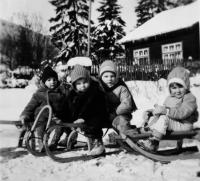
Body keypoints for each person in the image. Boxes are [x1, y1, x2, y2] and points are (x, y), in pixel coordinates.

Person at [139, 66, 198, 152]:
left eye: (180, 87)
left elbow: (183, 112)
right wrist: (152, 112)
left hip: (184, 124)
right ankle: (145, 132)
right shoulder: (169, 98)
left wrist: (166, 111)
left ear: (186, 86)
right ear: (169, 88)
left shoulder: (189, 98)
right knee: (154, 118)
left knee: (164, 118)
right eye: (174, 88)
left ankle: (153, 143)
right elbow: (163, 110)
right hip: (175, 122)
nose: (177, 91)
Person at [19, 66, 70, 151]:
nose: (52, 82)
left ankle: (54, 142)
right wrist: (25, 115)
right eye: (49, 80)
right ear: (44, 81)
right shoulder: (39, 94)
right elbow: (30, 106)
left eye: (54, 79)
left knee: (60, 126)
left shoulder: (61, 93)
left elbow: (67, 104)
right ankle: (41, 141)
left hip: (56, 117)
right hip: (42, 117)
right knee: (40, 126)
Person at [67, 64, 108, 156]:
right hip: (83, 118)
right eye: (78, 83)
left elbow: (95, 107)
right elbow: (69, 107)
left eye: (85, 82)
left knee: (93, 122)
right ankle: (72, 139)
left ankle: (98, 144)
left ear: (89, 80)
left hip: (98, 114)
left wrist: (83, 118)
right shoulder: (73, 95)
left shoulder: (95, 91)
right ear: (74, 85)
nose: (83, 86)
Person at [98, 60, 137, 135]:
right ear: (101, 77)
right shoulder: (98, 88)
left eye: (112, 76)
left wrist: (115, 113)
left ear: (116, 77)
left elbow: (126, 103)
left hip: (119, 114)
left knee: (121, 122)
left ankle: (128, 137)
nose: (109, 79)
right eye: (106, 76)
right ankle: (94, 139)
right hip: (104, 116)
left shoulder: (121, 88)